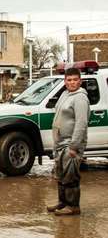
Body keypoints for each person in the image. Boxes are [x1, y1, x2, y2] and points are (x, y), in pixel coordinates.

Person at [48, 67, 90, 216]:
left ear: (80, 81)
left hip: (70, 144)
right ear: (65, 82)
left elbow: (81, 123)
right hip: (60, 143)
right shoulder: (65, 94)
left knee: (70, 175)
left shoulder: (80, 98)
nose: (72, 83)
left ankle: (73, 206)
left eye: (75, 80)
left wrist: (74, 146)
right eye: (69, 80)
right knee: (61, 174)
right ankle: (63, 202)